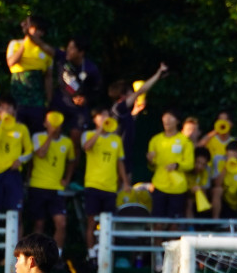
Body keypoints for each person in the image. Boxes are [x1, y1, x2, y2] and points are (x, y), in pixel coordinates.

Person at [0, 98, 34, 269]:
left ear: (14, 110)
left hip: (13, 175)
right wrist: (2, 125)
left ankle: (17, 258)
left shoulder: (21, 129)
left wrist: (21, 159)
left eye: (9, 108)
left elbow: (29, 150)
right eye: (2, 108)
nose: (5, 111)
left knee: (17, 214)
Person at [147, 108, 194, 268]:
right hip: (159, 186)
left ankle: (171, 259)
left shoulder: (184, 141)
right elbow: (151, 165)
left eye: (170, 118)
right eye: (164, 118)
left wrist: (177, 165)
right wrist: (150, 160)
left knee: (174, 224)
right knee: (158, 223)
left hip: (178, 188)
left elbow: (190, 164)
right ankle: (157, 257)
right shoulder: (155, 140)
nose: (166, 121)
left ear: (177, 121)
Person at [108, 62, 168, 178]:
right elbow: (141, 91)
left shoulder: (123, 112)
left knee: (126, 187)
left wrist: (136, 111)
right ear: (123, 96)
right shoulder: (118, 108)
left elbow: (125, 123)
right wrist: (158, 74)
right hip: (117, 157)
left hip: (126, 156)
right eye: (130, 92)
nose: (133, 93)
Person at [83, 108, 129, 259]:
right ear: (94, 119)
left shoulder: (116, 140)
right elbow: (86, 147)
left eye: (107, 115)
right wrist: (100, 131)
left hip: (110, 188)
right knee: (91, 222)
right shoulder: (89, 134)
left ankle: (105, 255)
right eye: (101, 115)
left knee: (108, 224)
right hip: (93, 185)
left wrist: (125, 182)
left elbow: (120, 162)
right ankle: (91, 254)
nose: (104, 118)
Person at [29, 111, 76, 257]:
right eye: (50, 122)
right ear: (45, 124)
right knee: (39, 224)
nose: (55, 125)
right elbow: (41, 153)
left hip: (57, 189)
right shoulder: (37, 137)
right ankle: (36, 257)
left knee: (61, 223)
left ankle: (57, 256)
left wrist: (67, 179)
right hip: (38, 186)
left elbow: (72, 161)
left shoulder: (67, 142)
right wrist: (50, 135)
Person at [6, 15, 54, 133]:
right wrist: (25, 43)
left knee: (37, 132)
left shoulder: (46, 51)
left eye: (38, 30)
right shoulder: (15, 44)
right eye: (32, 29)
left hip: (37, 100)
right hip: (18, 97)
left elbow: (48, 78)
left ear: (42, 33)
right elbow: (11, 62)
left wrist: (49, 101)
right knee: (16, 131)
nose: (35, 32)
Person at [53, 37, 102, 153]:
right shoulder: (62, 57)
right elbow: (44, 47)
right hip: (60, 103)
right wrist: (29, 34)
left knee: (76, 141)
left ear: (81, 52)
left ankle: (72, 165)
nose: (68, 50)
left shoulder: (91, 69)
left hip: (78, 109)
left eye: (72, 48)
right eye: (68, 47)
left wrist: (86, 99)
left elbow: (98, 90)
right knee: (53, 133)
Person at [211, 140, 237, 220]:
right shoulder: (218, 160)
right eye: (231, 151)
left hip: (234, 200)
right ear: (226, 151)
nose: (233, 154)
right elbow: (217, 184)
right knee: (218, 190)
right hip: (220, 198)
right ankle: (215, 220)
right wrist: (226, 166)